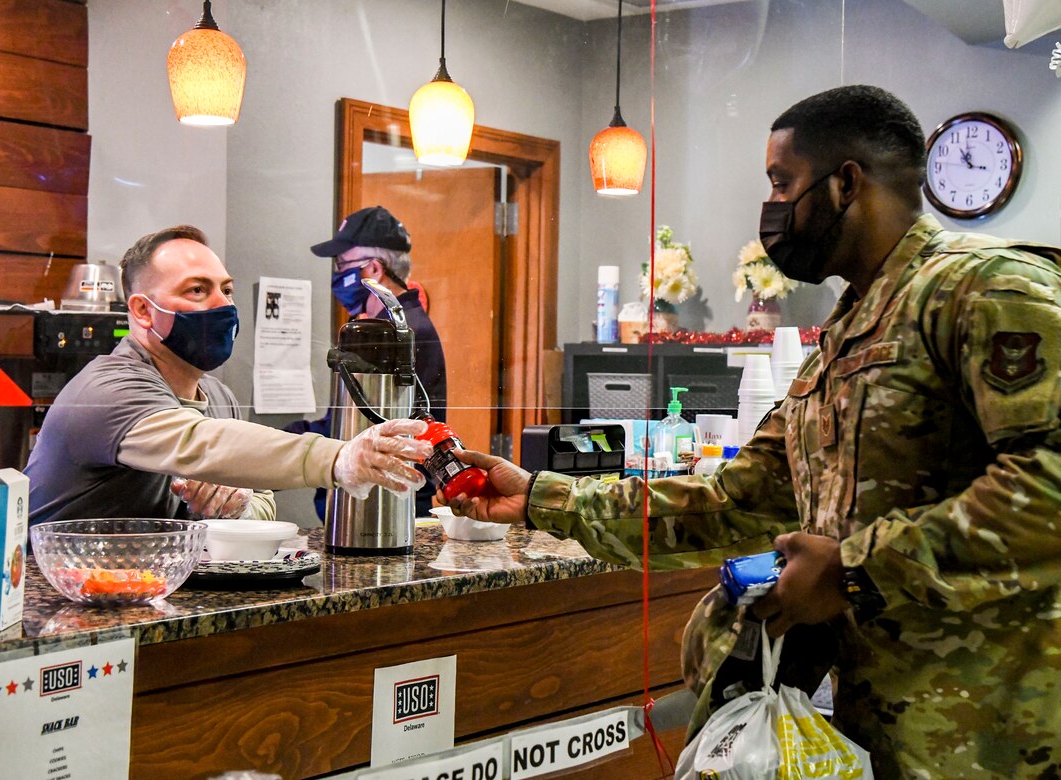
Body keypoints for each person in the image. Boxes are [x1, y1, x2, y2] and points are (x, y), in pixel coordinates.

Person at [444, 85, 1061, 778]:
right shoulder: (846, 337)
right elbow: (733, 501)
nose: (771, 208)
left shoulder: (985, 288)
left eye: (781, 182)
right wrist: (538, 498)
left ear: (846, 183)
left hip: (1002, 744)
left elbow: (1050, 485)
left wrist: (857, 570)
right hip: (881, 738)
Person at [26, 225, 430, 526]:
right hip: (56, 605)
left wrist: (238, 505)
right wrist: (338, 456)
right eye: (197, 291)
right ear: (143, 311)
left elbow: (262, 502)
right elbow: (200, 442)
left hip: (154, 595)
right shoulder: (108, 389)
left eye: (227, 290)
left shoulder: (218, 397)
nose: (223, 304)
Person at [288, 206, 448, 518]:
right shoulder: (391, 324)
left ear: (374, 269)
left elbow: (362, 423)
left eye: (342, 264)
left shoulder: (397, 332)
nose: (337, 274)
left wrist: (284, 444)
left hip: (386, 505)